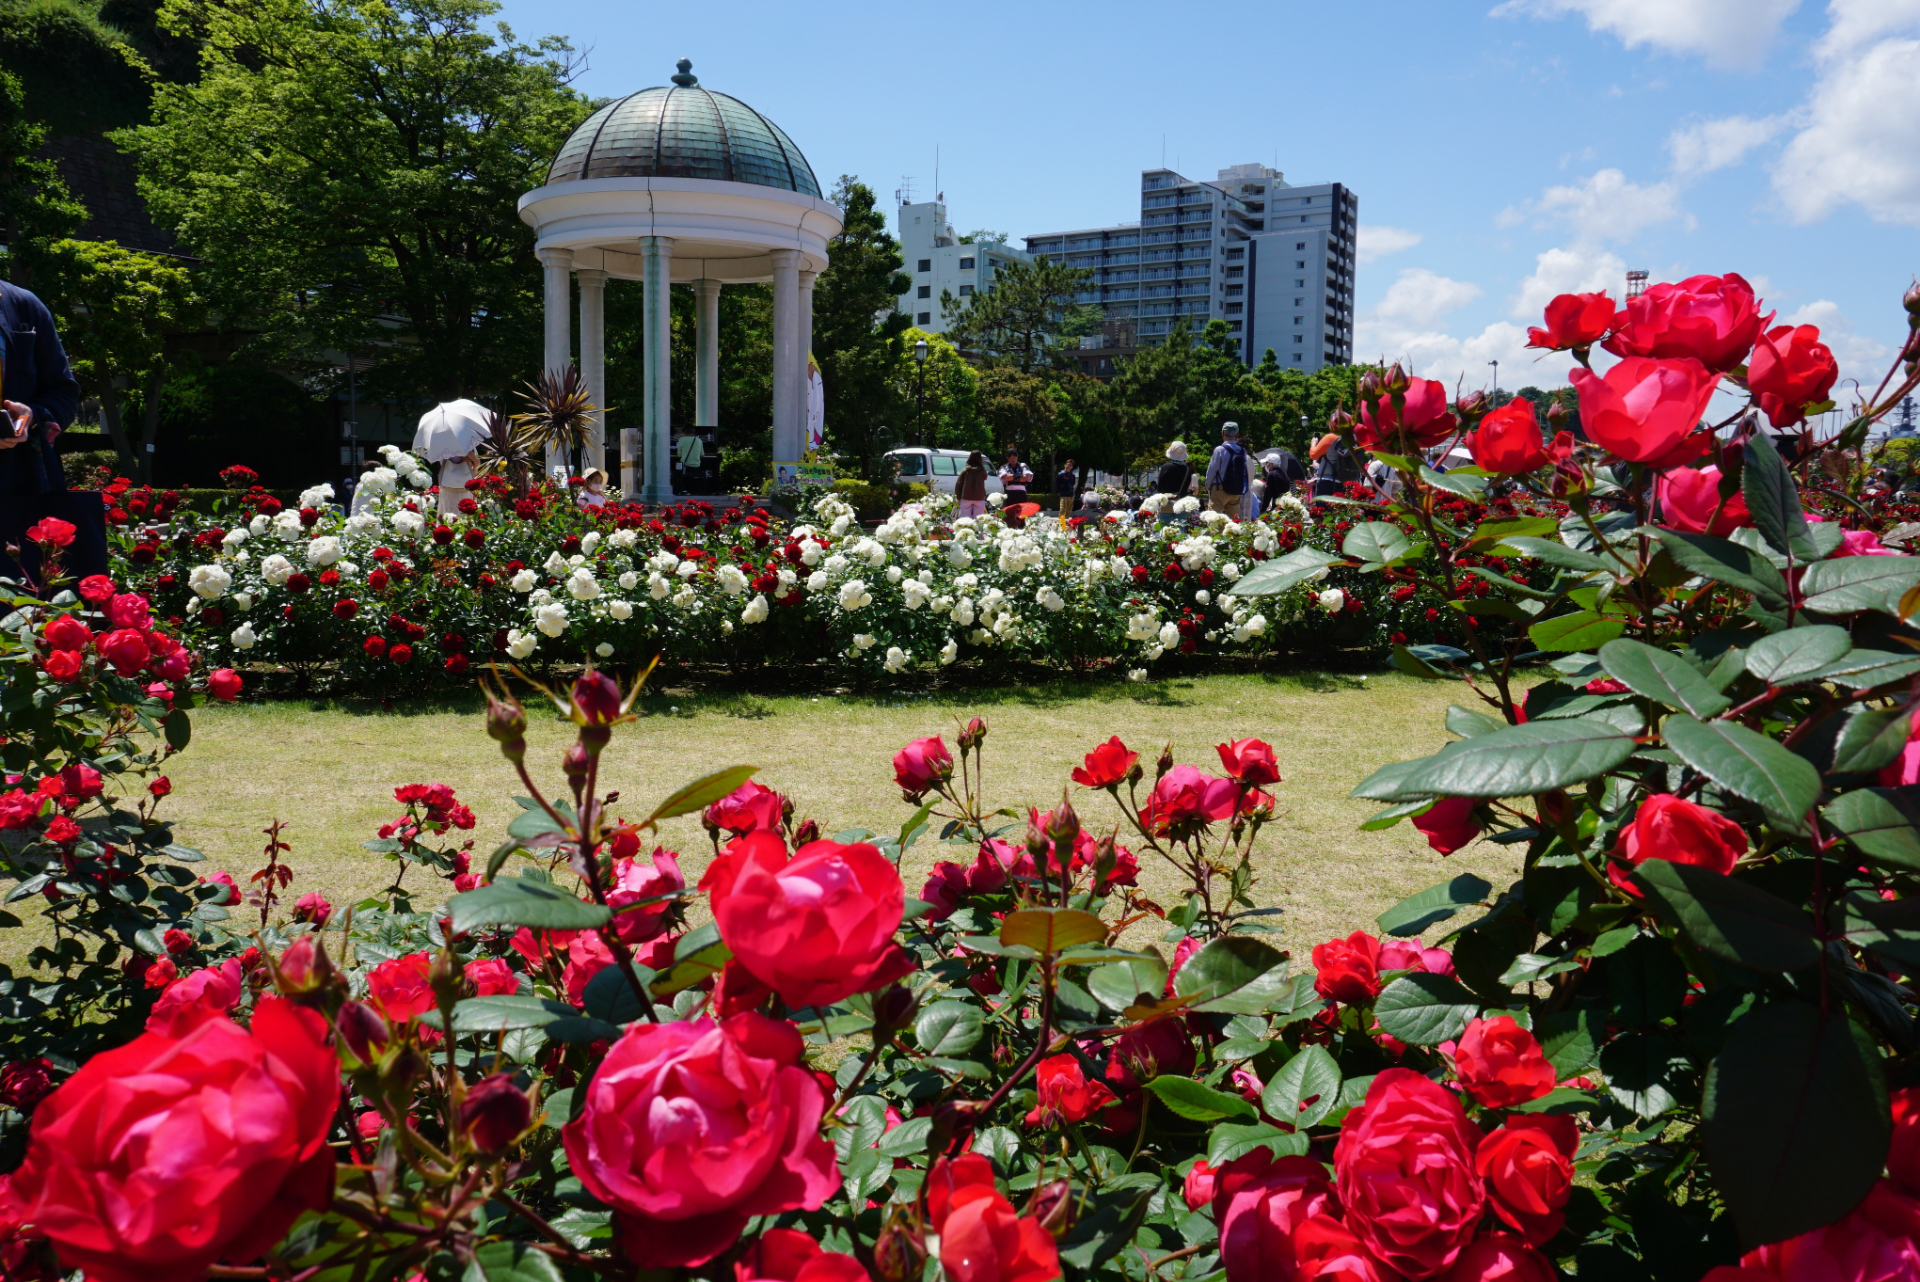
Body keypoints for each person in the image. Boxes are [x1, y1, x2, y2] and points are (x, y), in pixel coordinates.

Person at [0, 277, 91, 584]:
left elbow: (63, 393)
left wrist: (31, 415)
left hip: (14, 491)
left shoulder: (22, 305)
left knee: (16, 616)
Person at [1205, 421, 1257, 521]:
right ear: (1237, 435)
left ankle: (1216, 536)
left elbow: (1212, 470)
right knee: (1233, 520)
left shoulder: (1220, 450)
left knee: (1214, 520)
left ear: (1222, 433)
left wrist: (1208, 486)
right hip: (1236, 489)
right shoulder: (1242, 451)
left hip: (1219, 489)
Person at [436, 449, 478, 516]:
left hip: (447, 485)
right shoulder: (460, 443)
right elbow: (476, 461)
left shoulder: (441, 444)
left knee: (447, 515)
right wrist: (475, 468)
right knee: (463, 514)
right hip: (463, 487)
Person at [955, 450, 989, 519]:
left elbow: (959, 484)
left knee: (966, 520)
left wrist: (958, 497)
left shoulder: (965, 470)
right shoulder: (982, 471)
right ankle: (977, 530)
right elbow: (985, 477)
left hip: (966, 497)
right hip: (979, 498)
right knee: (978, 520)